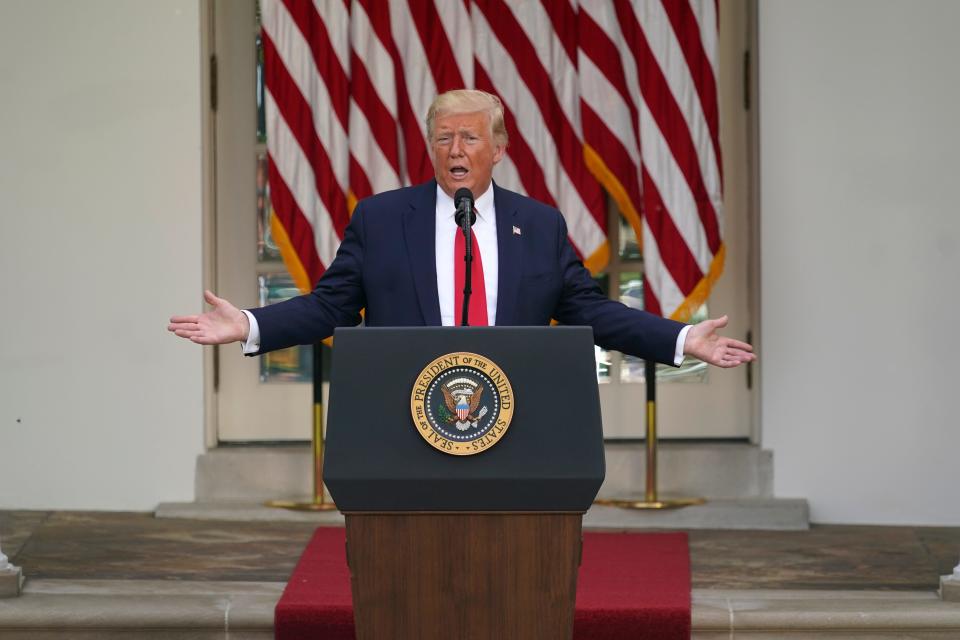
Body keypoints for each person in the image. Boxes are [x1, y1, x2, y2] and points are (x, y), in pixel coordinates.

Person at [169, 90, 755, 370]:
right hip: (405, 411)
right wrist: (248, 322)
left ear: (498, 149)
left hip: (514, 412)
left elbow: (589, 312)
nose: (455, 149)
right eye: (443, 138)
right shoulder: (381, 218)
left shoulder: (539, 224)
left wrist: (683, 338)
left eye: (470, 137)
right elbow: (331, 308)